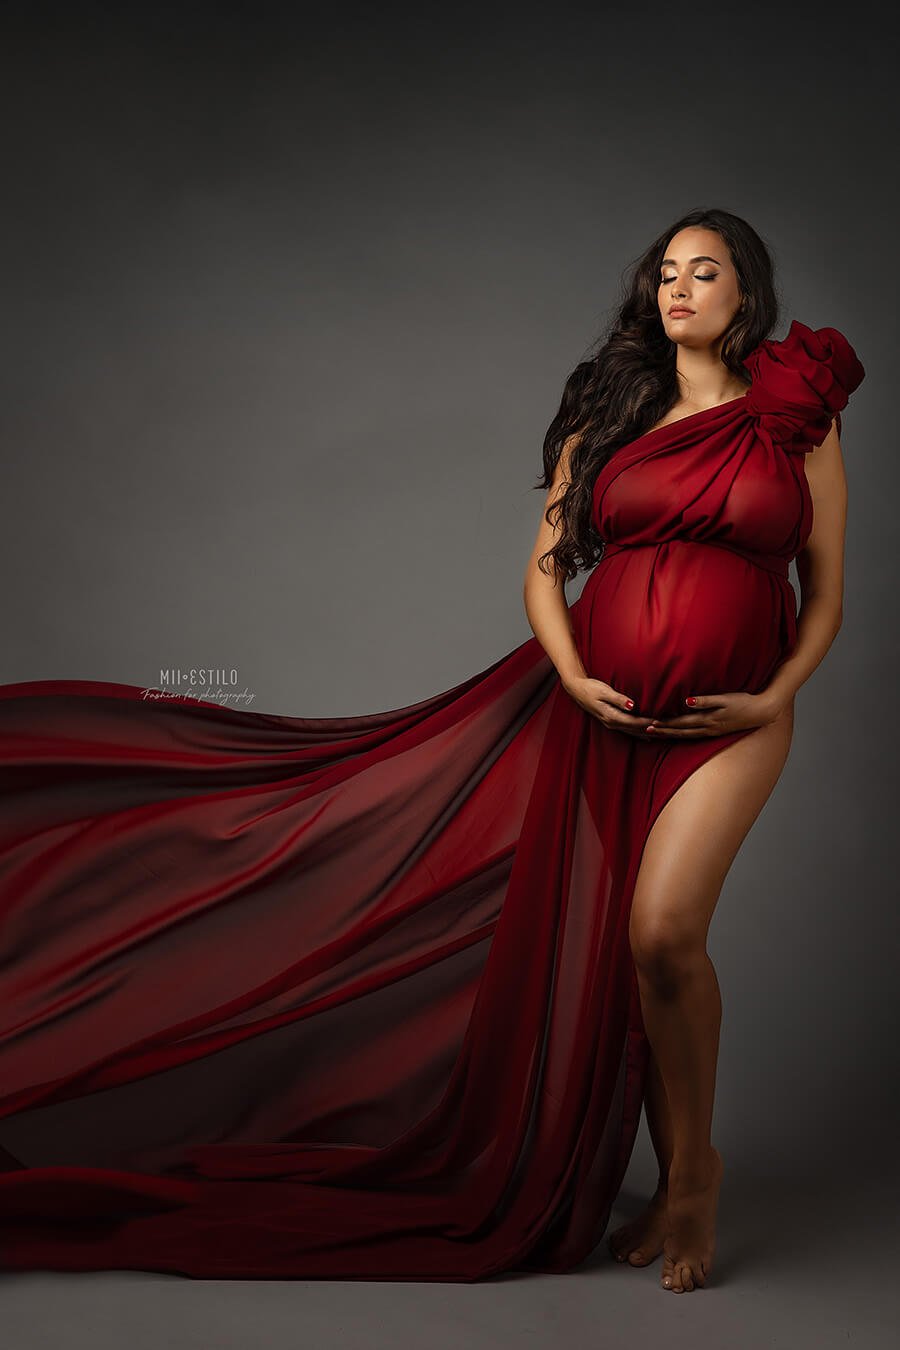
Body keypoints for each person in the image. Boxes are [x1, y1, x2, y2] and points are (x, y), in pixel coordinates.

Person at [0, 207, 865, 1291]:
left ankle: (696, 1181)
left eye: (705, 272)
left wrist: (774, 692)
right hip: (592, 710)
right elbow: (546, 569)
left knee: (660, 933)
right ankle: (676, 1169)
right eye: (666, 275)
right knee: (616, 954)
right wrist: (573, 675)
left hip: (733, 721)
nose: (679, 289)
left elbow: (824, 592)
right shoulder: (618, 407)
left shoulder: (797, 418)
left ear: (749, 294)